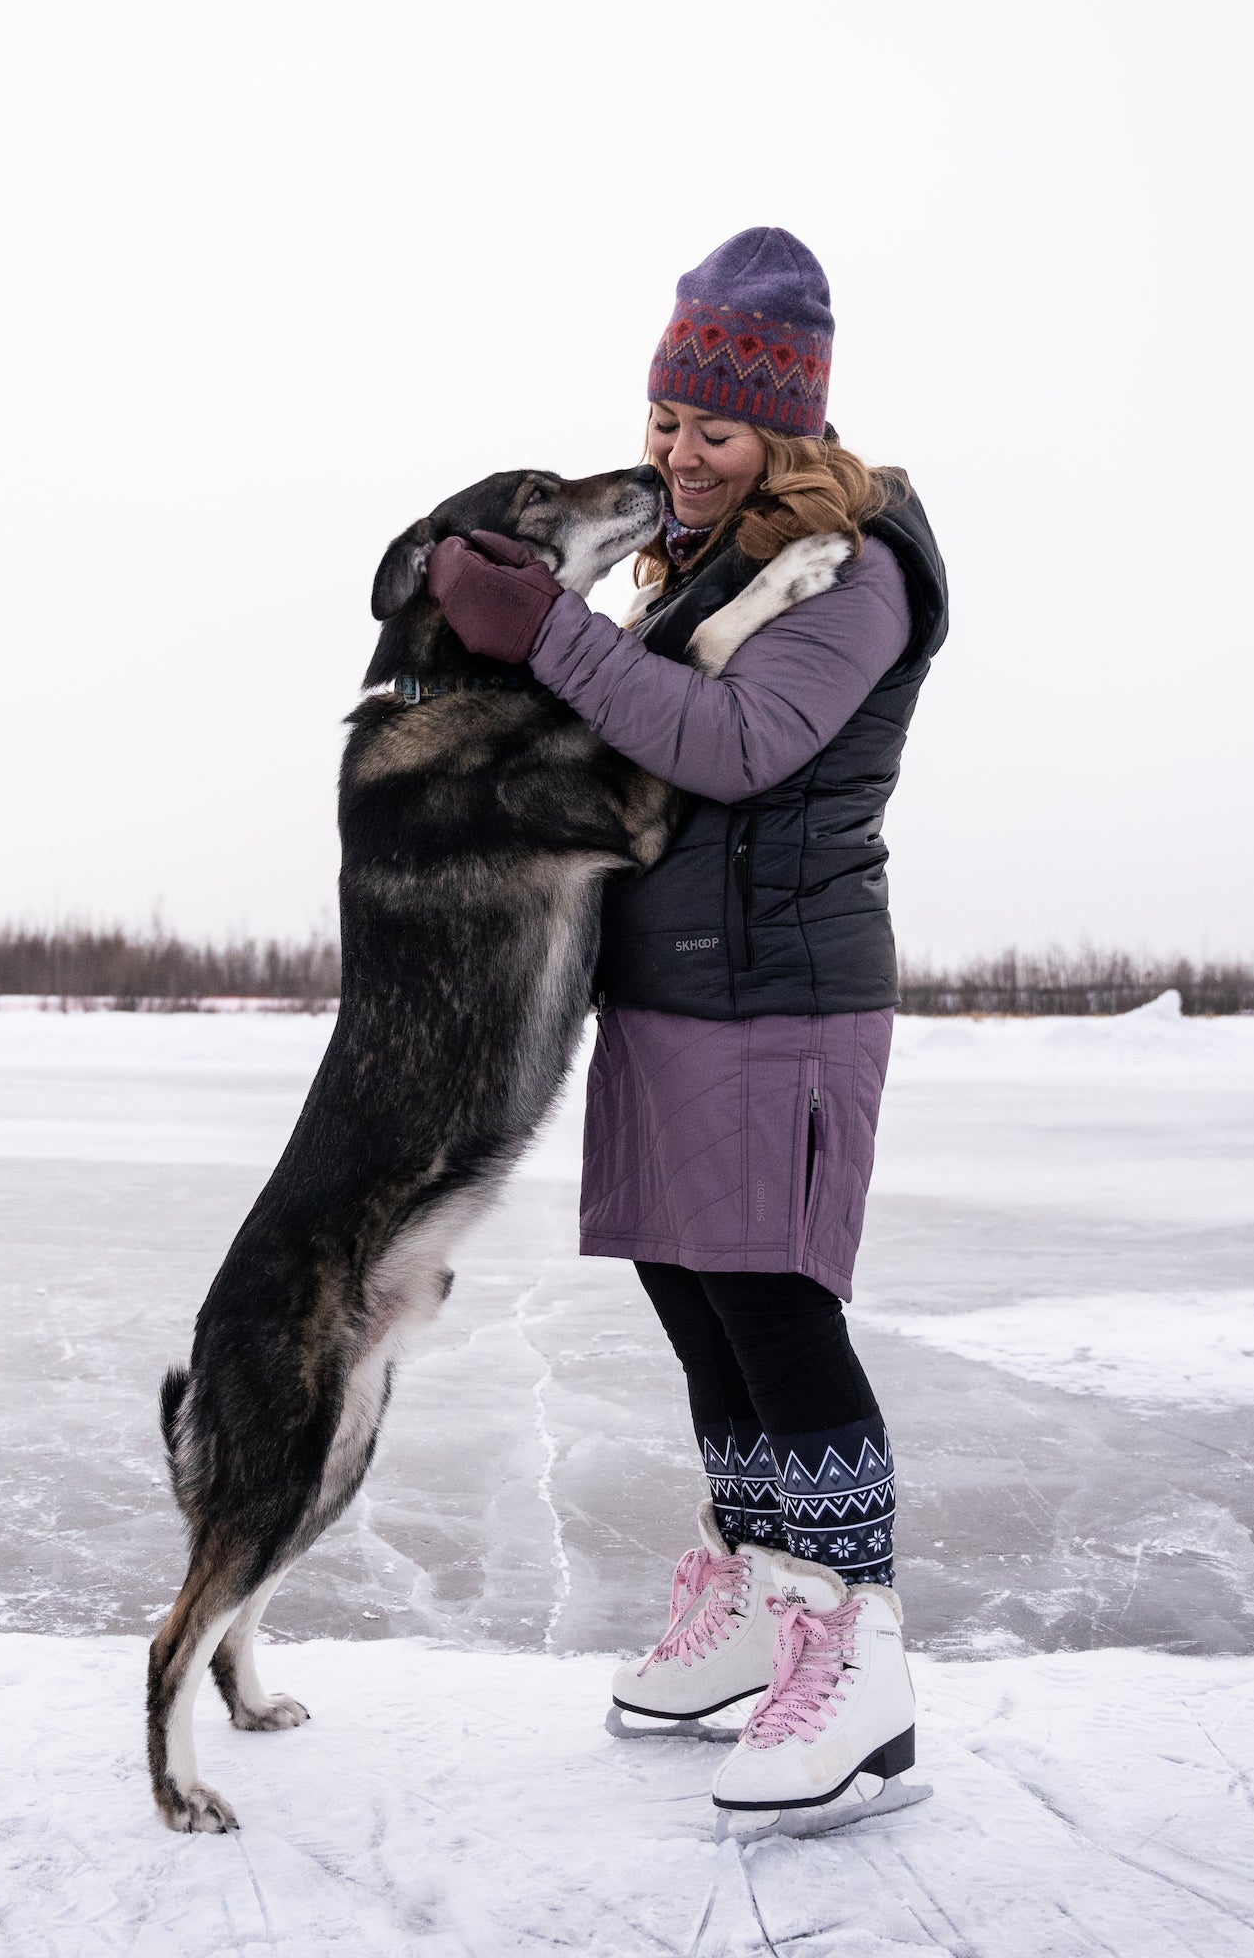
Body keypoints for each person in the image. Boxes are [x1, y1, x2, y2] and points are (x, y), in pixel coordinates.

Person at [424, 226, 948, 1824]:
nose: (679, 455)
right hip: (670, 987)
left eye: (714, 430)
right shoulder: (697, 566)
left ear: (785, 430)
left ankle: (859, 1662)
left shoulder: (854, 576)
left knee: (776, 1308)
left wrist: (556, 636)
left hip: (785, 994)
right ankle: (749, 1602)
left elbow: (731, 744)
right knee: (695, 1301)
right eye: (665, 422)